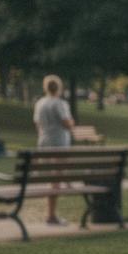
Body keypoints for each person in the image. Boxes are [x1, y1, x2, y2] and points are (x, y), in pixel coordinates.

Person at [33, 75, 76, 226]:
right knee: (55, 179)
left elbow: (37, 124)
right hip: (58, 142)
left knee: (54, 178)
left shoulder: (40, 103)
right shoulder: (60, 103)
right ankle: (51, 215)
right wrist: (72, 122)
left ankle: (52, 213)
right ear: (59, 88)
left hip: (44, 142)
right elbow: (67, 123)